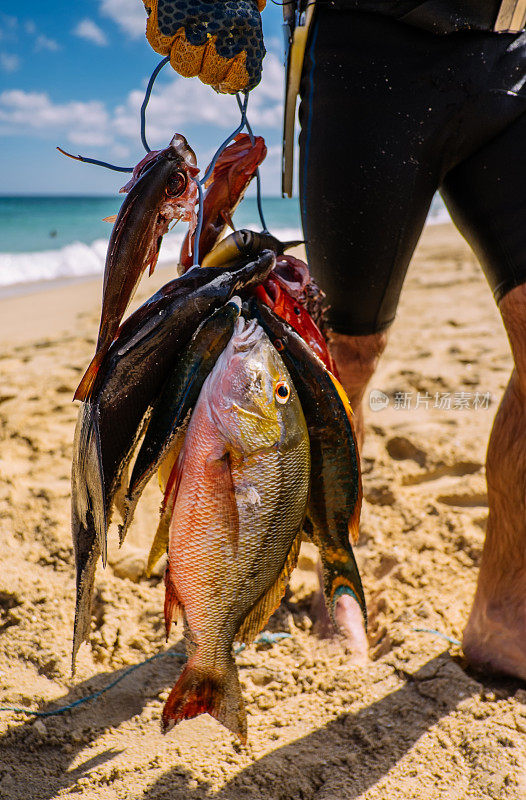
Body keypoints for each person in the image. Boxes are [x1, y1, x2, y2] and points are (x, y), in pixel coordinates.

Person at [143, 0, 526, 680]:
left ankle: (508, 615)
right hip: (372, 48)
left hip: (517, 51)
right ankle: (337, 579)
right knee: (346, 356)